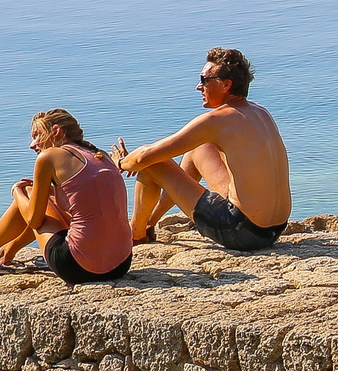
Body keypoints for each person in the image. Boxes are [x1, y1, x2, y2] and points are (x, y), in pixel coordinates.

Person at [112, 47, 292, 251]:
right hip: (274, 229)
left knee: (152, 165)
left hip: (241, 232)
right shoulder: (260, 112)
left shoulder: (217, 121)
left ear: (226, 85)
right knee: (199, 147)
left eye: (204, 80)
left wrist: (120, 162)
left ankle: (135, 235)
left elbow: (144, 157)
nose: (199, 87)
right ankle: (150, 223)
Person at [0, 109, 135, 282]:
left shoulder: (49, 157)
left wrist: (17, 191)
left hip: (78, 267)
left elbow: (34, 220)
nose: (32, 145)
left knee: (29, 193)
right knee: (46, 199)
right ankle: (8, 251)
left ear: (56, 131)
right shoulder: (100, 155)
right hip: (121, 264)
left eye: (37, 135)